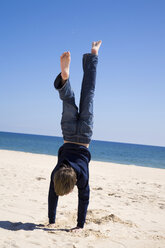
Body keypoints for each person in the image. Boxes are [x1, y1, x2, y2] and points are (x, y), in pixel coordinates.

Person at [48, 41, 102, 231]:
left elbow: (84, 199)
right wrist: (51, 220)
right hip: (69, 133)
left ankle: (94, 55)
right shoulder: (57, 172)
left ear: (73, 184)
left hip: (85, 134)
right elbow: (52, 194)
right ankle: (65, 80)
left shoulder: (82, 177)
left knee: (89, 94)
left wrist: (80, 225)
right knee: (68, 100)